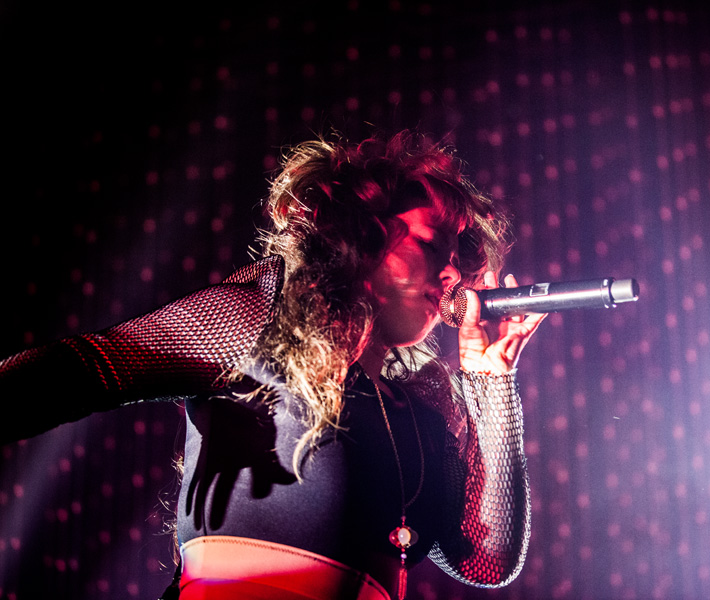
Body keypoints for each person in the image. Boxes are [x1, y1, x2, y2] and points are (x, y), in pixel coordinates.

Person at [0, 131, 545, 600]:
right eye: (433, 243)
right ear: (363, 235)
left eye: (459, 258)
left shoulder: (418, 415)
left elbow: (486, 561)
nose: (452, 272)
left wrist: (492, 378)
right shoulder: (258, 320)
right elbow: (76, 370)